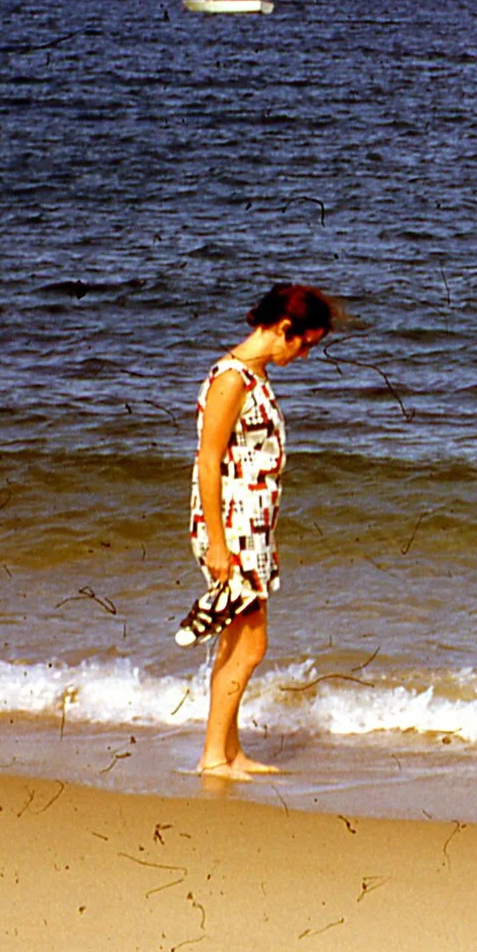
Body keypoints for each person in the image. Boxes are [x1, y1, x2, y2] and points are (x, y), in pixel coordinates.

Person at [179, 283, 336, 778]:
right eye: (306, 344)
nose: (306, 354)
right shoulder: (231, 379)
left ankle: (228, 751)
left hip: (253, 527)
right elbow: (207, 462)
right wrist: (220, 547)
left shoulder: (253, 375)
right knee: (251, 644)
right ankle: (212, 758)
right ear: (285, 330)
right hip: (232, 528)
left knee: (236, 642)